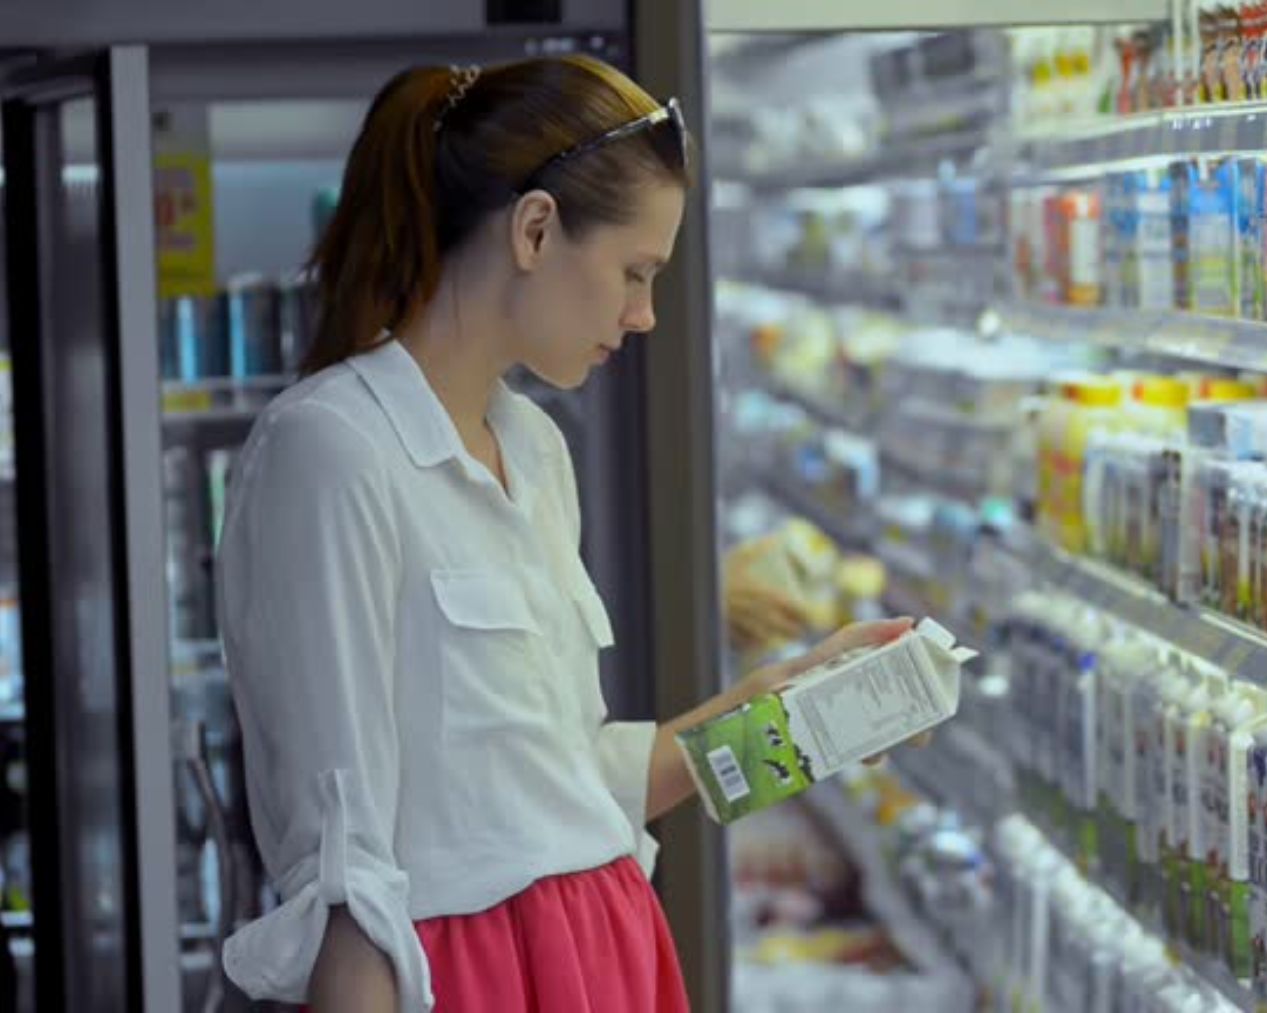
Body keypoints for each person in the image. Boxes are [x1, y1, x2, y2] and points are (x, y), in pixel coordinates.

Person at [216, 56, 910, 1013]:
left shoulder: (536, 447)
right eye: (635, 271)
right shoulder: (330, 451)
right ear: (536, 228)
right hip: (474, 977)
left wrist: (796, 712)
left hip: (606, 951)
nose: (645, 314)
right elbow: (345, 881)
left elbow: (573, 783)